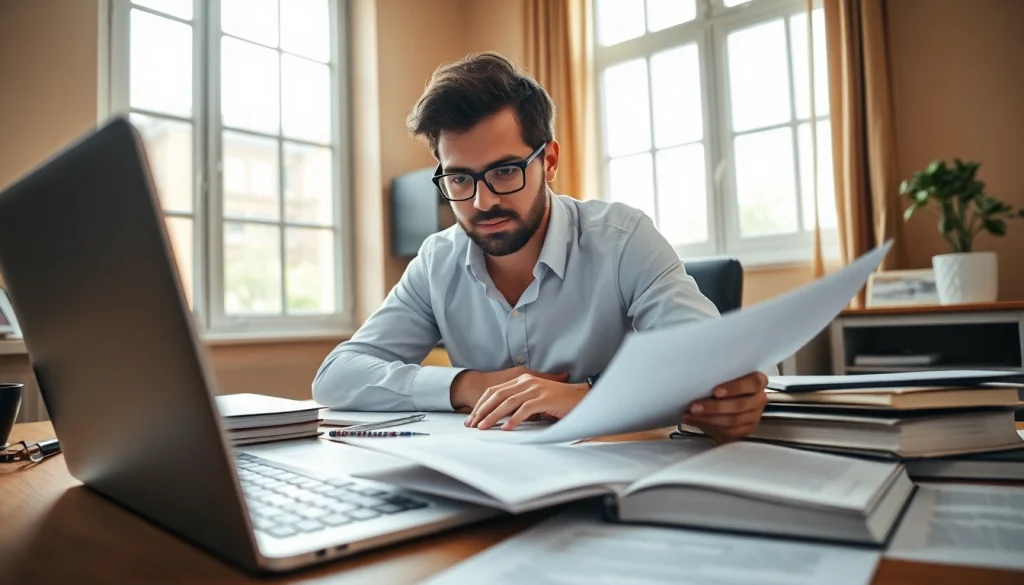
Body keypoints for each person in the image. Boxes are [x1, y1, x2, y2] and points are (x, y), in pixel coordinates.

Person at [313, 52, 769, 443]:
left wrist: (588, 397)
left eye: (506, 171)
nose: (482, 200)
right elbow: (337, 376)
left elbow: (707, 365)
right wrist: (471, 385)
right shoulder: (437, 260)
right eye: (458, 178)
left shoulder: (623, 238)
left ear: (548, 161)